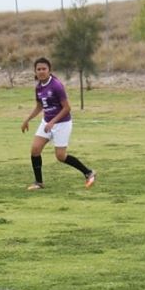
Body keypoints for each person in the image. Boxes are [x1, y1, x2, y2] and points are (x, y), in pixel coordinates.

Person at [21, 57, 96, 191]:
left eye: (44, 69)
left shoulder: (56, 86)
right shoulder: (38, 87)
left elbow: (67, 108)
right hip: (47, 122)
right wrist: (27, 119)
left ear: (49, 70)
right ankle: (39, 182)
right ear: (35, 71)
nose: (41, 71)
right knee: (35, 150)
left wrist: (52, 122)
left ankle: (88, 172)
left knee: (60, 156)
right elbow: (39, 106)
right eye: (38, 69)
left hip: (62, 123)